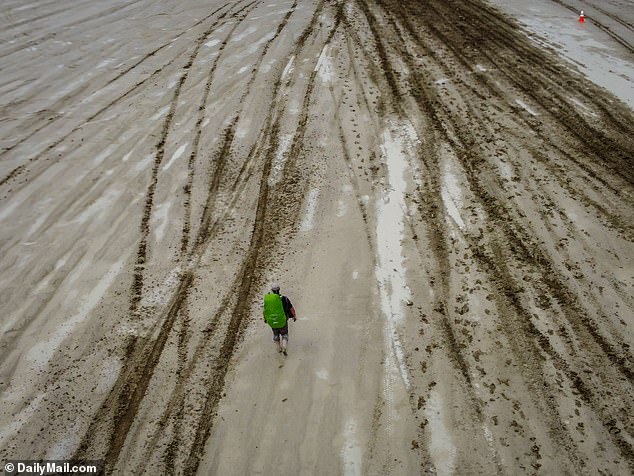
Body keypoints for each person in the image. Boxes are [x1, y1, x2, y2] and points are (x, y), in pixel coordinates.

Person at [262, 283, 296, 355]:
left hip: (273, 322)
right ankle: (284, 346)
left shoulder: (269, 301)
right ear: (279, 289)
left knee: (276, 334)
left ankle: (278, 347)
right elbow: (291, 308)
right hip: (283, 321)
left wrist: (265, 318)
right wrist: (294, 316)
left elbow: (265, 310)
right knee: (284, 334)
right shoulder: (284, 299)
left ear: (272, 290)